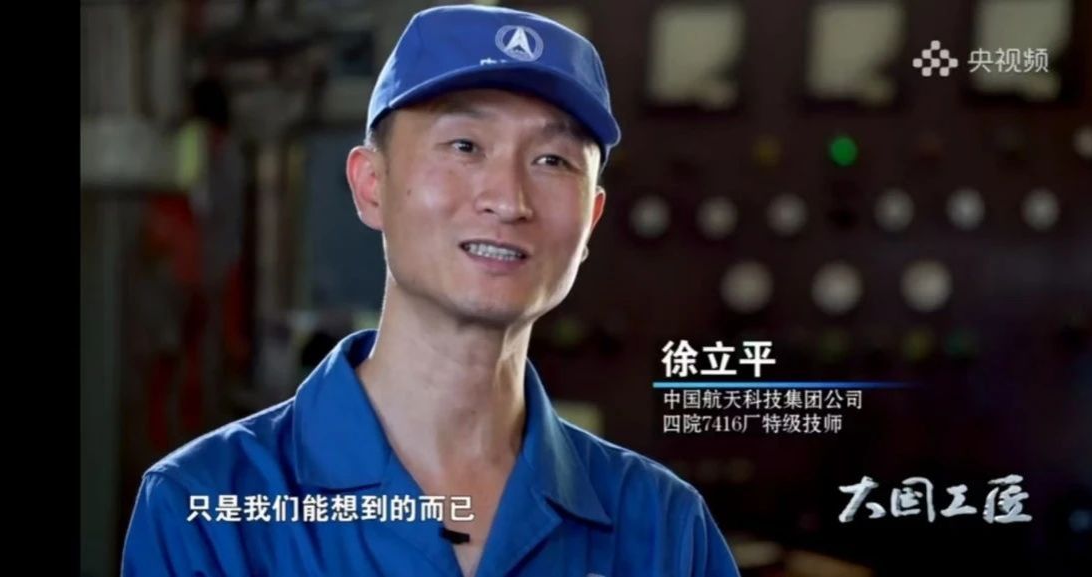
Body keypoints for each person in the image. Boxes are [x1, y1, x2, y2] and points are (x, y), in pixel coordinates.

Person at [121, 5, 740, 576]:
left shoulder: (664, 529)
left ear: (591, 221)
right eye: (465, 146)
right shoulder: (207, 509)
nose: (508, 200)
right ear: (371, 185)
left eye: (553, 161)